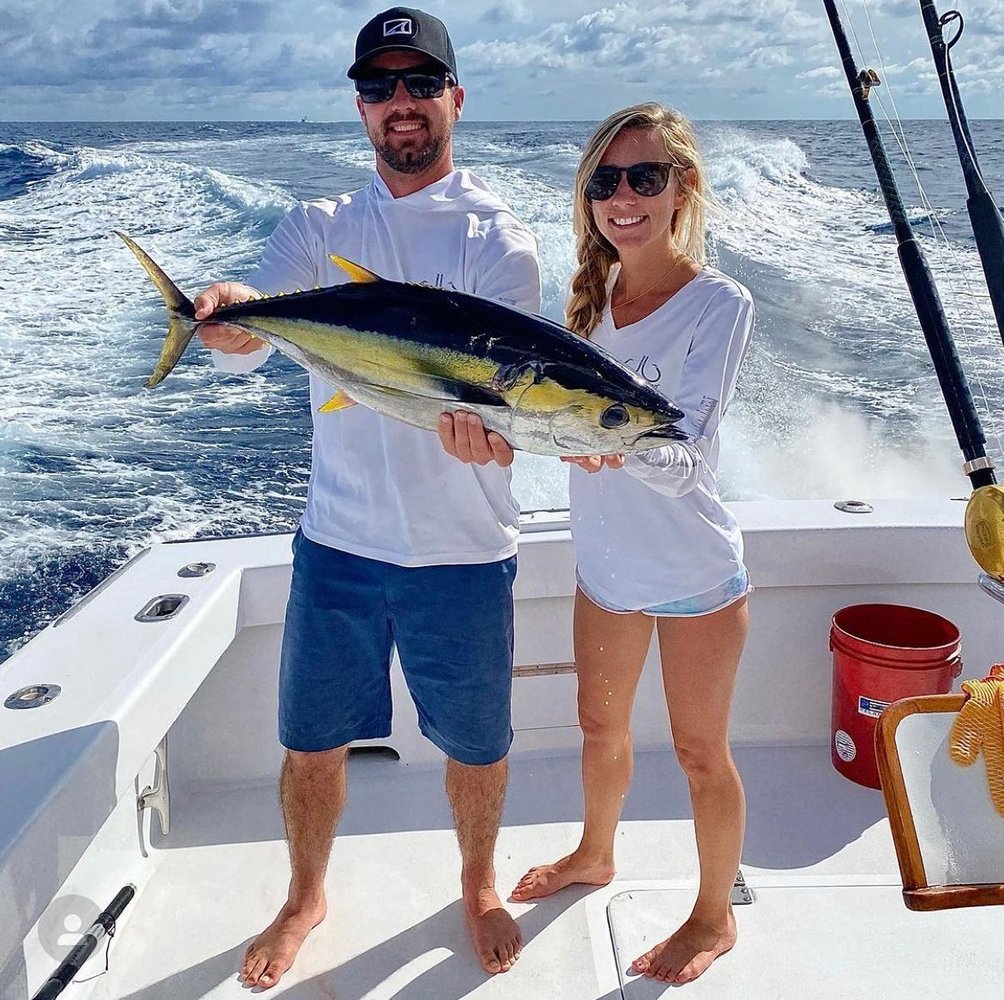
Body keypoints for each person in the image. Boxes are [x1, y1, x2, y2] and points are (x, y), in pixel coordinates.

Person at [194, 7, 541, 988]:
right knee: (311, 746)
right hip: (337, 544)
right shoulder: (317, 226)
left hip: (464, 552)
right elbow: (251, 330)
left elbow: (513, 410)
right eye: (379, 87)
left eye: (418, 84)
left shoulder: (493, 237)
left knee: (476, 748)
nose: (399, 104)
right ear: (357, 106)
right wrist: (227, 316)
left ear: (453, 99)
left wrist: (499, 435)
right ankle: (306, 895)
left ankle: (475, 883)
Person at [507, 103, 754, 987]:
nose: (623, 198)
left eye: (644, 177)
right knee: (598, 727)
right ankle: (594, 854)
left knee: (699, 754)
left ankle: (713, 914)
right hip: (604, 567)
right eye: (605, 182)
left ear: (681, 189)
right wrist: (492, 432)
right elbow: (549, 426)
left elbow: (686, 456)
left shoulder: (719, 303)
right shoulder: (591, 301)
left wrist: (622, 443)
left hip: (694, 572)